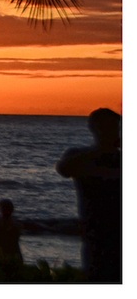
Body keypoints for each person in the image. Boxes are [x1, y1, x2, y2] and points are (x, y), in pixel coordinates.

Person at [56, 107, 120, 282]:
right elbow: (63, 168)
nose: (110, 131)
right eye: (105, 127)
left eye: (114, 127)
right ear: (93, 128)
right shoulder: (80, 155)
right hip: (95, 231)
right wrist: (101, 149)